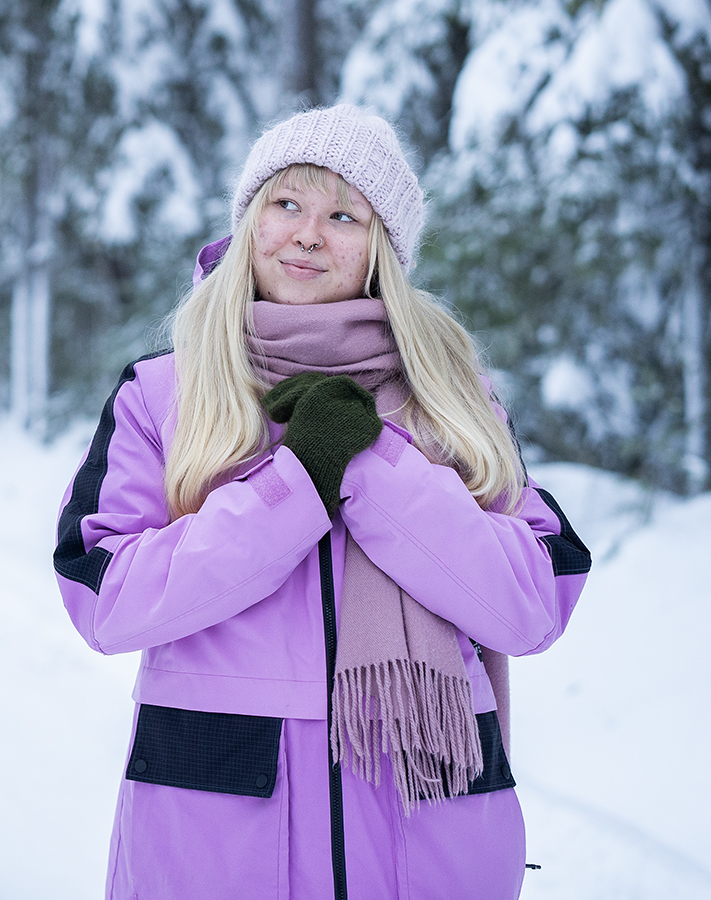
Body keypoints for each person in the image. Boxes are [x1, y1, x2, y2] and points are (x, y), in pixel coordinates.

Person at [52, 105, 591, 900]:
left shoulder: (453, 399)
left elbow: (532, 602)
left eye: (344, 215)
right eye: (287, 204)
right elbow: (107, 598)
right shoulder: (161, 393)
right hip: (215, 846)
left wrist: (370, 461)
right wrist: (294, 483)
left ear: (382, 252)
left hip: (431, 852)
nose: (308, 234)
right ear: (250, 220)